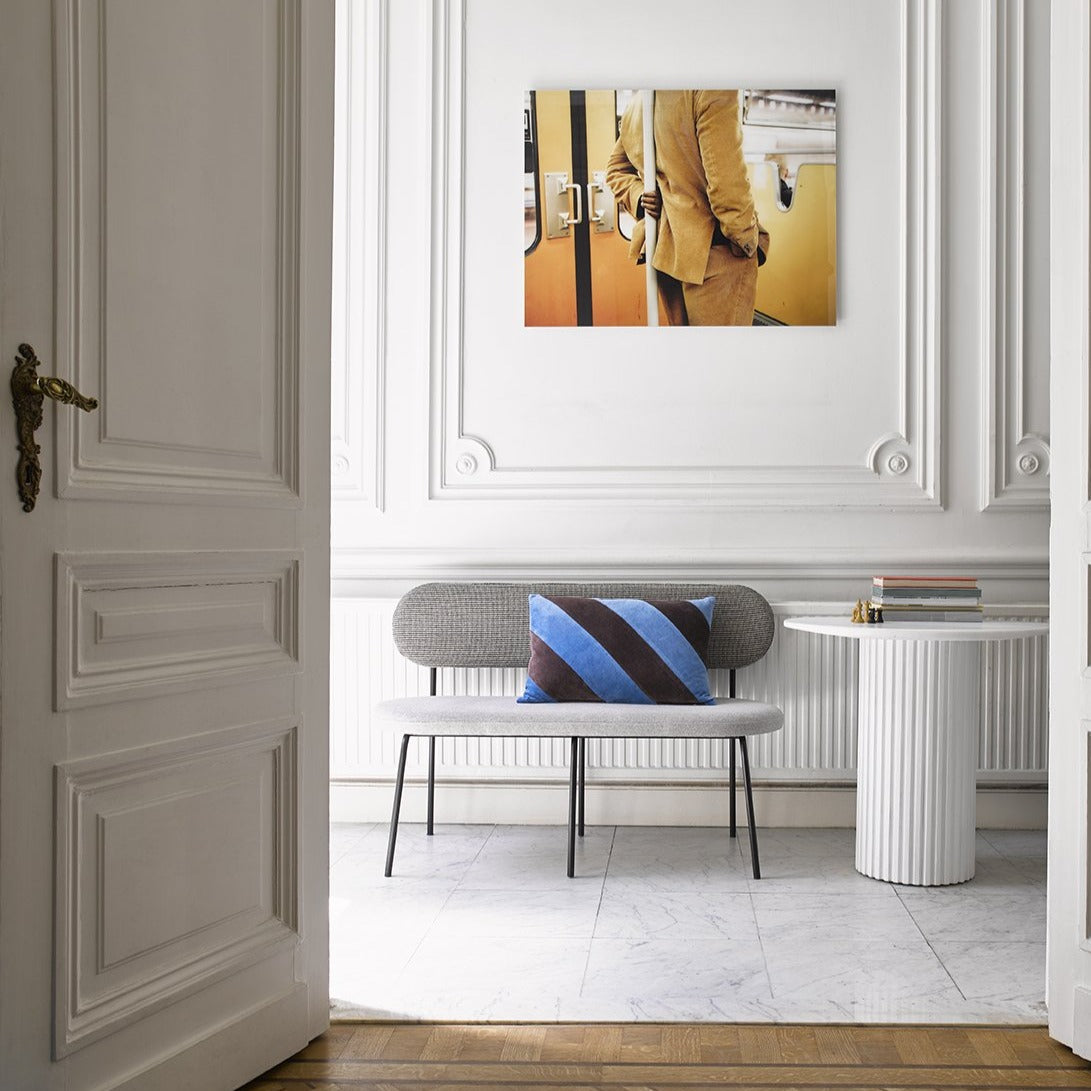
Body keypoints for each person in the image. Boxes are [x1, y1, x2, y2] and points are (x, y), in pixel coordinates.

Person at [606, 90, 769, 326]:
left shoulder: (639, 102)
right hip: (716, 253)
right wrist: (747, 240)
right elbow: (727, 186)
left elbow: (615, 170)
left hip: (666, 251)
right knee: (721, 359)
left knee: (687, 355)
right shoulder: (710, 89)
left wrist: (642, 196)